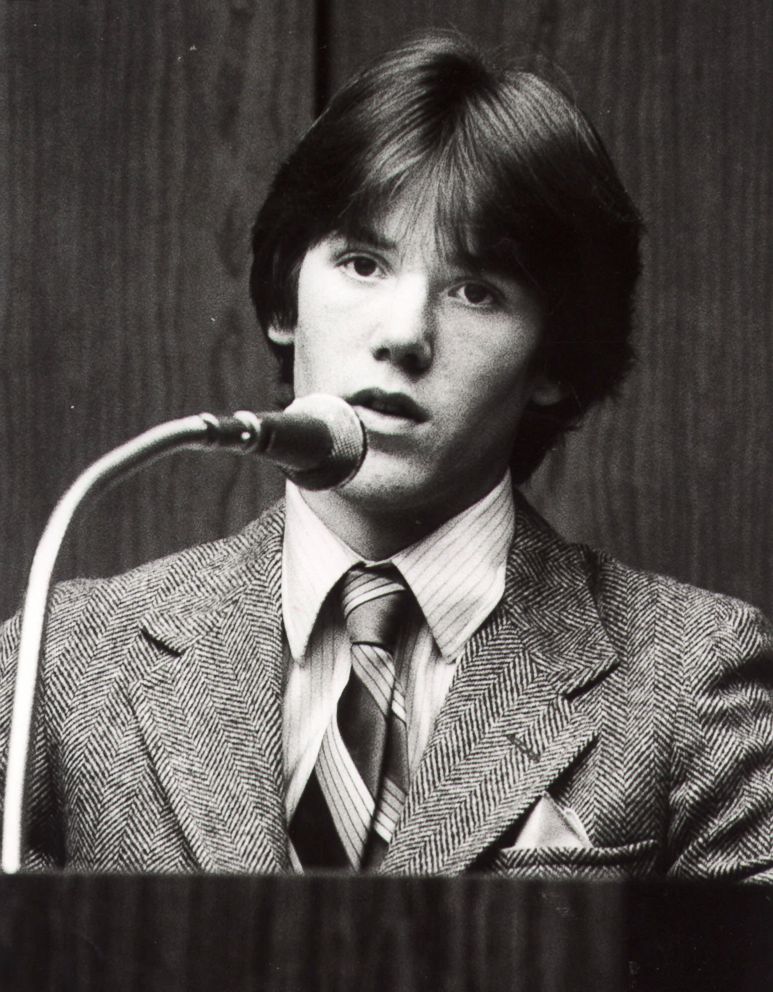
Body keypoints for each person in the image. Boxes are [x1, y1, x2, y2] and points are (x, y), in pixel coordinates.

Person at [1, 32, 771, 880]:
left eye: (476, 291)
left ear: (553, 362)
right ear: (285, 297)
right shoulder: (68, 660)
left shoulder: (693, 675)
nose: (404, 335)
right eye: (362, 264)